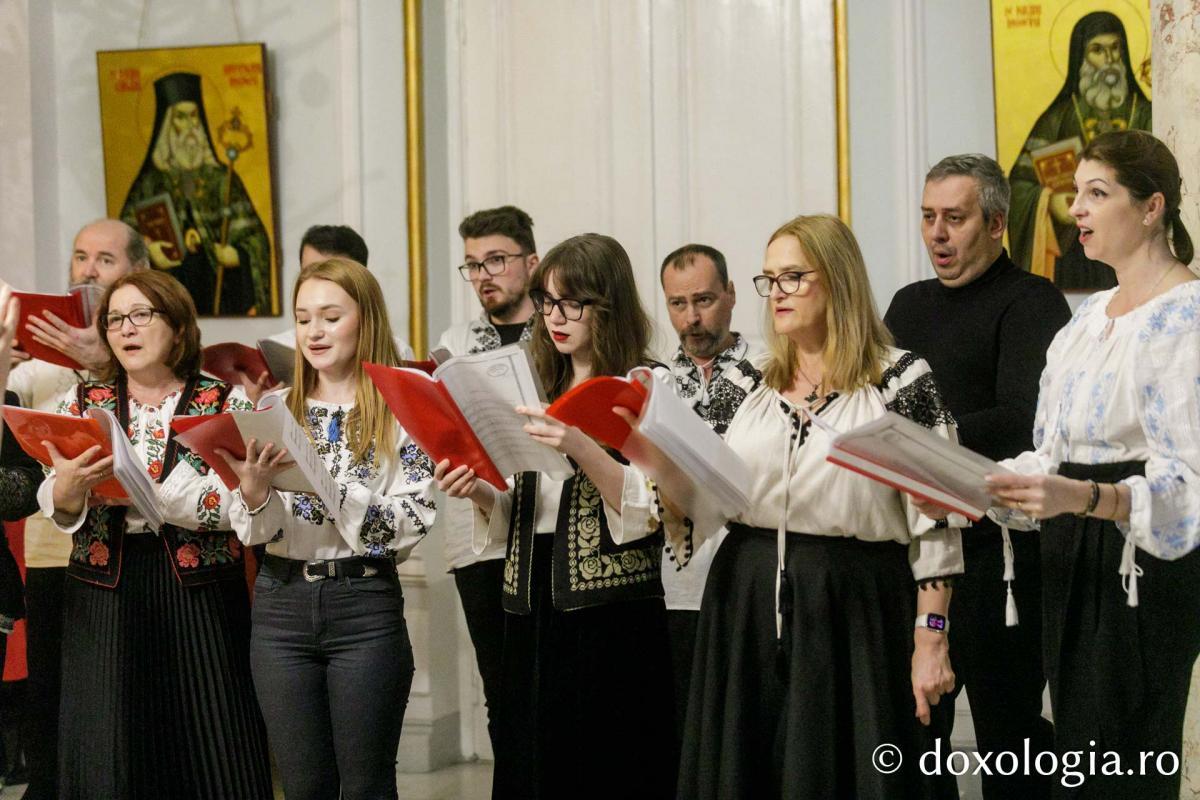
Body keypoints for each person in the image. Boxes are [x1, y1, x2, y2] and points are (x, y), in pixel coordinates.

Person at [657, 214, 962, 799]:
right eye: (769, 279)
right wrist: (648, 450)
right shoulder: (745, 380)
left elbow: (938, 523)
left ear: (838, 279)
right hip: (746, 601)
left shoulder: (900, 379)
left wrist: (931, 638)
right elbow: (698, 500)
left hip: (857, 604)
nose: (776, 292)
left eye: (793, 277)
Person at [977, 130, 1199, 799]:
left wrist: (1086, 498)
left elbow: (1189, 484)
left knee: (1125, 763)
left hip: (1140, 567)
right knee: (1078, 754)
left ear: (1152, 207)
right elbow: (1051, 452)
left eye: (1097, 193)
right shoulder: (1088, 319)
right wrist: (978, 487)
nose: (1076, 208)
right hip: (1070, 558)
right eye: (1076, 193)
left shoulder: (1186, 319)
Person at [436, 233, 675, 799]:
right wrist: (479, 493)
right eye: (547, 301)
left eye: (572, 303)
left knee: (605, 766)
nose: (555, 317)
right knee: (530, 758)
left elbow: (655, 508)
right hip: (530, 600)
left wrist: (581, 445)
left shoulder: (647, 384)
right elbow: (524, 506)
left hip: (609, 613)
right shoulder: (534, 380)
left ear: (607, 304)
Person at [36, 269, 271, 799]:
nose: (126, 329)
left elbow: (243, 504)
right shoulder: (81, 402)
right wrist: (68, 490)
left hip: (202, 592)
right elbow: (56, 500)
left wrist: (162, 499)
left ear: (179, 326)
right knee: (109, 743)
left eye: (141, 315)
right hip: (104, 591)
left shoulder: (226, 403)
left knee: (212, 738)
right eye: (115, 319)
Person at [884, 154, 1070, 798]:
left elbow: (1024, 420)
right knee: (915, 734)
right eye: (928, 217)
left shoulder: (1033, 301)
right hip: (919, 552)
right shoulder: (908, 304)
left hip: (1002, 558)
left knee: (1008, 739)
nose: (937, 233)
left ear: (995, 223)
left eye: (954, 218)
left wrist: (917, 439)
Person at [225, 257, 436, 800]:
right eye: (303, 319)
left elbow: (411, 521)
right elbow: (254, 532)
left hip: (363, 604)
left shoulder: (401, 410)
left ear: (366, 320)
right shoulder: (274, 409)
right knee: (303, 786)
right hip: (280, 608)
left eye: (330, 317)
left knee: (366, 785)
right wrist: (255, 491)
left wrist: (333, 489)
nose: (313, 331)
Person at [2, 219, 147, 800]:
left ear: (137, 271)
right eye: (81, 257)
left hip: (124, 548)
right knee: (50, 700)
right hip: (51, 552)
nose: (88, 269)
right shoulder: (39, 364)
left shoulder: (148, 343)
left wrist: (101, 361)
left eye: (105, 259)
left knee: (116, 699)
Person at [435, 205, 538, 754]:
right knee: (500, 687)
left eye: (496, 260)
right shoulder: (455, 342)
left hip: (543, 523)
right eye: (473, 265)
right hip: (478, 537)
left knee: (546, 681)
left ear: (531, 263)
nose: (483, 276)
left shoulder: (556, 329)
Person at [657, 243, 754, 743]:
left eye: (704, 300)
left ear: (731, 294)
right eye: (678, 304)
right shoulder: (654, 383)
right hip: (677, 586)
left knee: (747, 728)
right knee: (685, 734)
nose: (691, 318)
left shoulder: (772, 371)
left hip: (753, 578)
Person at [1008, 11, 1152, 290]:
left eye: (1115, 48)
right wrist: (1049, 203)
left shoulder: (1145, 114)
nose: (1109, 59)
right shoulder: (1057, 118)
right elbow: (1019, 185)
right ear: (1080, 58)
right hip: (1076, 256)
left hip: (1136, 246)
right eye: (1097, 50)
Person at [121, 72, 273, 315]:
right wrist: (150, 252)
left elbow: (256, 239)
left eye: (194, 116)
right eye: (181, 118)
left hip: (220, 298)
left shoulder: (223, 179)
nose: (190, 127)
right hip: (164, 304)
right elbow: (124, 238)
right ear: (167, 124)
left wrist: (237, 254)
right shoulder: (149, 183)